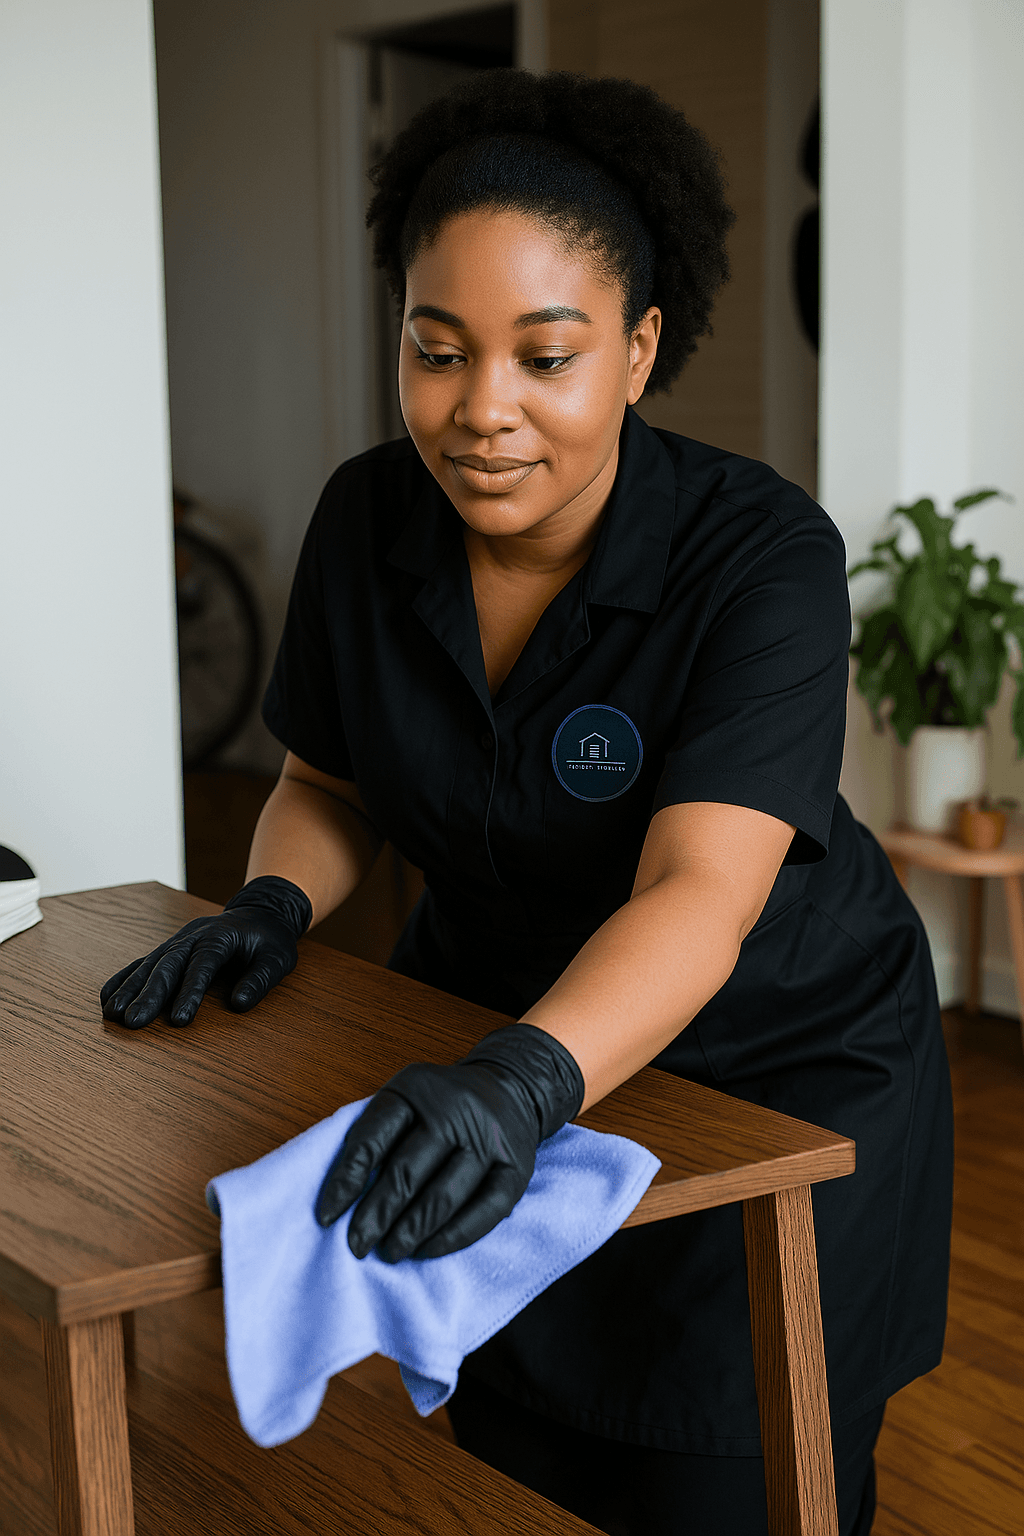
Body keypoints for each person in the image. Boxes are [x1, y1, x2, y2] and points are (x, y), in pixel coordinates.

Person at [101, 70, 953, 1536]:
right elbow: (325, 779)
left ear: (637, 351)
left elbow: (703, 889)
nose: (481, 412)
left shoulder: (758, 558)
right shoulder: (368, 519)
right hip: (494, 1064)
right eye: (437, 353)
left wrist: (522, 1078)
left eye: (543, 357)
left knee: (728, 1476)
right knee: (516, 1463)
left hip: (767, 1069)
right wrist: (275, 898)